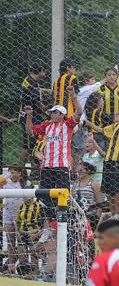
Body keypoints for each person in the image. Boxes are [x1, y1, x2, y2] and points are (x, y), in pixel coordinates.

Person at [24, 85, 82, 216]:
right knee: (44, 198)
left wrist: (73, 95)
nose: (52, 114)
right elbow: (29, 131)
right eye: (51, 112)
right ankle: (49, 223)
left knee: (62, 196)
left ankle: (63, 223)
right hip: (46, 167)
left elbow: (79, 112)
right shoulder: (47, 125)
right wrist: (29, 115)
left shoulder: (67, 125)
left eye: (55, 112)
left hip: (61, 166)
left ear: (62, 115)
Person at [84, 89, 119, 217]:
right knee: (108, 190)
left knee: (117, 190)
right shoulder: (116, 125)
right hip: (108, 160)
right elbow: (101, 130)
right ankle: (113, 213)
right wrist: (88, 123)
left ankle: (117, 215)